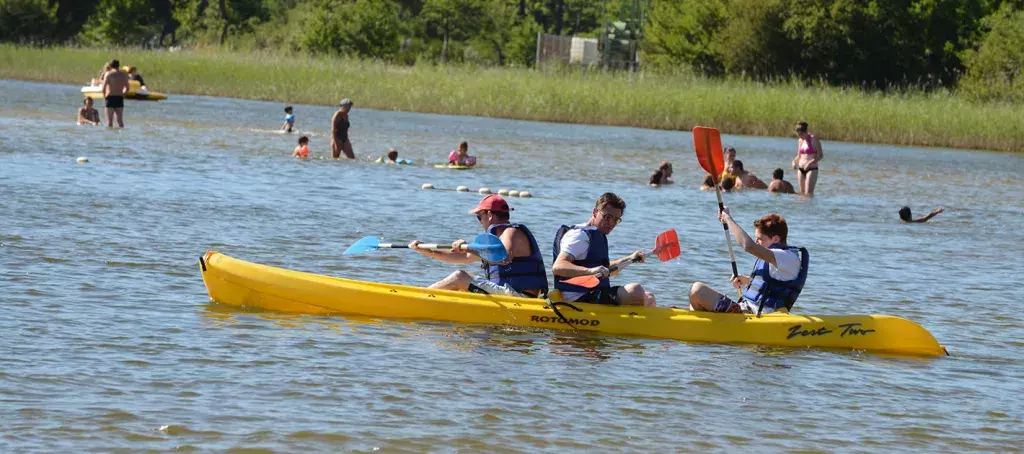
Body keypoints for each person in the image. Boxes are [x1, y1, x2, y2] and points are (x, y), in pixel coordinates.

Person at [410, 195, 548, 297]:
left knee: (460, 277)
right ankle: (426, 299)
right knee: (461, 286)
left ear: (489, 214)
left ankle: (417, 299)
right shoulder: (494, 240)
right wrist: (425, 250)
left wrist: (469, 247)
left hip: (520, 297)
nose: (479, 221)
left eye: (479, 217)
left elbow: (504, 258)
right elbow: (462, 257)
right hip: (508, 294)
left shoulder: (510, 232)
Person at [689, 209, 808, 315]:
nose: (756, 242)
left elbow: (748, 246)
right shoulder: (778, 258)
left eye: (760, 239)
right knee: (696, 302)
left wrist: (728, 219)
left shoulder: (786, 257)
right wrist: (747, 280)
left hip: (754, 316)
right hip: (746, 309)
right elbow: (771, 287)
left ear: (776, 239)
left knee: (697, 290)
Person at [552, 192, 655, 307]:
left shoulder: (598, 234)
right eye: (607, 217)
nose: (611, 223)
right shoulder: (579, 236)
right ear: (595, 212)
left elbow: (605, 271)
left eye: (616, 220)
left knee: (649, 297)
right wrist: (591, 271)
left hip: (595, 293)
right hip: (577, 298)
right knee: (635, 290)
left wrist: (630, 258)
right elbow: (558, 267)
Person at [792, 121, 823, 195]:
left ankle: (809, 206)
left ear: (806, 131)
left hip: (811, 169)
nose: (800, 137)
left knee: (808, 193)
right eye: (799, 135)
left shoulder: (814, 139)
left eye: (802, 134)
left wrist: (809, 163)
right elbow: (799, 156)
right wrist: (794, 162)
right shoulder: (800, 141)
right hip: (801, 168)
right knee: (801, 193)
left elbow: (820, 155)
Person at [101, 59, 129, 128]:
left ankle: (110, 137)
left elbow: (103, 88)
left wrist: (105, 97)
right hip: (119, 97)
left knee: (109, 122)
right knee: (120, 121)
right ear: (118, 65)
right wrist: (123, 95)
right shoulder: (123, 74)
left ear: (110, 66)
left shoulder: (108, 74)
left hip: (110, 97)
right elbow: (127, 88)